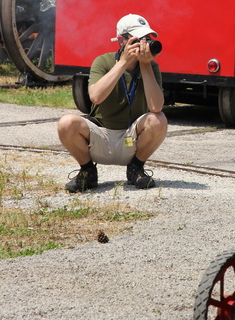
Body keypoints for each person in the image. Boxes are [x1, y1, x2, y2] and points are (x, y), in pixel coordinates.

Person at [58, 14, 168, 193]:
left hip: (132, 138)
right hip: (101, 136)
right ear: (121, 41)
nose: (143, 44)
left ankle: (135, 169)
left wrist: (145, 65)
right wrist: (123, 63)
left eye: (146, 39)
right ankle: (87, 172)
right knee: (66, 122)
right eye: (138, 40)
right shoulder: (103, 61)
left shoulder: (150, 66)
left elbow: (156, 107)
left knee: (158, 119)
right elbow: (96, 97)